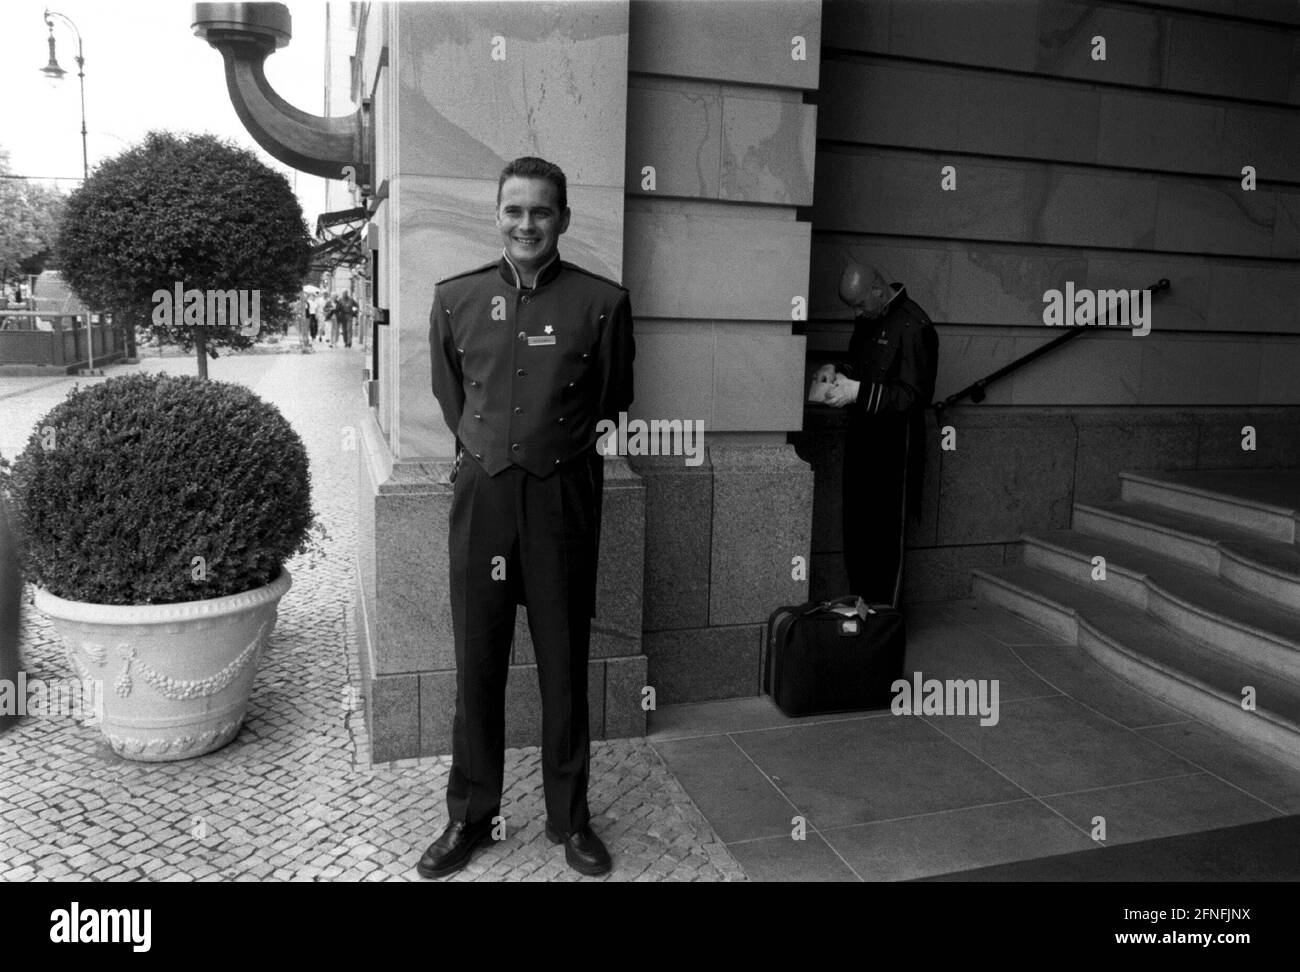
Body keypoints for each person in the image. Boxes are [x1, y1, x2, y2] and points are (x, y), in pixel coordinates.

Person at [423, 156, 635, 880]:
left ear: (563, 219)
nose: (526, 223)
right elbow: (452, 397)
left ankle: (569, 820)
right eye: (514, 210)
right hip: (482, 500)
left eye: (541, 211)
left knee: (563, 662)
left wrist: (551, 453)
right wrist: (487, 452)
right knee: (476, 662)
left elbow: (611, 399)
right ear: (497, 214)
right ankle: (469, 815)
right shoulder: (455, 299)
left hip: (560, 501)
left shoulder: (602, 303)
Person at [824, 263, 938, 605]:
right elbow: (858, 364)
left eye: (860, 304)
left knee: (885, 543)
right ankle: (861, 616)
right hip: (862, 441)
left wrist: (858, 393)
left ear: (878, 288)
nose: (857, 312)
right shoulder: (869, 319)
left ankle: (883, 623)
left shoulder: (915, 325)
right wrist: (837, 372)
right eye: (852, 307)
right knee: (857, 534)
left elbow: (914, 397)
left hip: (893, 453)